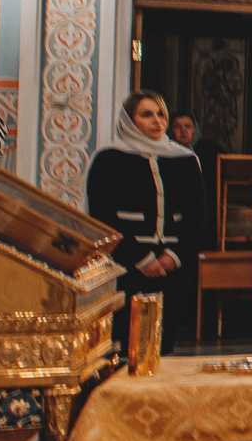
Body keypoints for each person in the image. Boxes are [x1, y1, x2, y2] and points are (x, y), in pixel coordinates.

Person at [85, 89, 210, 349]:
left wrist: (174, 256)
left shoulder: (185, 160)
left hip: (173, 264)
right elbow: (103, 217)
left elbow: (197, 216)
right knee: (126, 341)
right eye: (146, 114)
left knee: (162, 342)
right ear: (130, 120)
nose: (158, 121)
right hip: (127, 265)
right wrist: (140, 258)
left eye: (160, 114)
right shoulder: (109, 159)